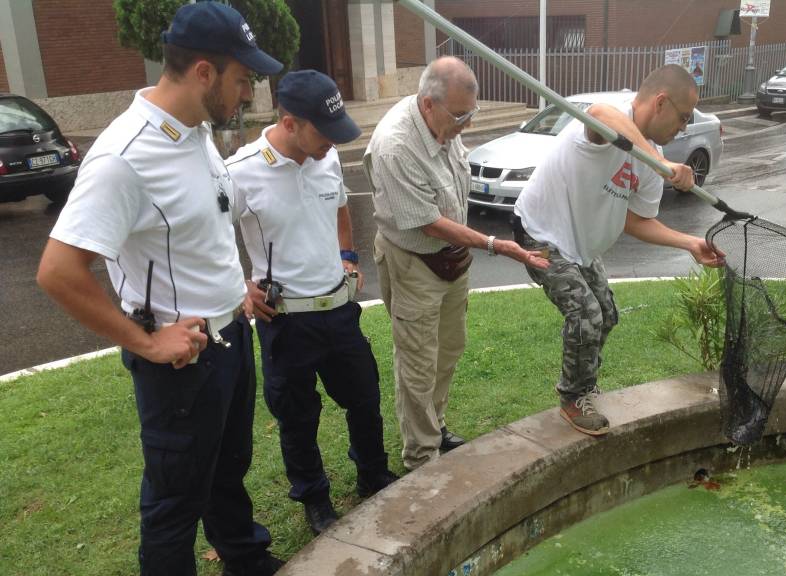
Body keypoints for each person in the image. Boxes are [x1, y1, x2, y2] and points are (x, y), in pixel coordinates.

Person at [36, 2, 286, 576]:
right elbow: (59, 270)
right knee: (177, 494)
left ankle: (241, 558)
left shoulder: (196, 128)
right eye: (240, 80)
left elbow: (201, 231)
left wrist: (239, 289)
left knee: (228, 467)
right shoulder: (124, 156)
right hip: (181, 362)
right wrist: (147, 342)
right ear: (203, 72)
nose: (248, 93)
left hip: (229, 338)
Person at [227, 70, 399, 536]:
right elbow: (210, 233)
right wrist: (239, 285)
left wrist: (347, 255)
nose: (332, 143)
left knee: (364, 396)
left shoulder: (325, 158)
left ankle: (373, 473)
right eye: (324, 134)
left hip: (339, 311)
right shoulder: (240, 172)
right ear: (288, 122)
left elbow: (340, 208)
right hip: (287, 322)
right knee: (297, 417)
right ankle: (315, 500)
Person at [512, 64, 725, 436]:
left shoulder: (651, 157)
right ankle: (573, 396)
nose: (684, 128)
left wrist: (691, 243)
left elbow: (636, 220)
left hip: (581, 244)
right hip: (540, 234)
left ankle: (584, 380)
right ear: (661, 102)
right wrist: (658, 162)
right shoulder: (613, 116)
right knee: (587, 314)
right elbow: (597, 116)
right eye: (683, 117)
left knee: (607, 314)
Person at [364, 57, 550, 470]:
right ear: (428, 104)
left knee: (449, 348)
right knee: (417, 361)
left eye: (472, 112)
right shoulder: (396, 146)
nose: (467, 124)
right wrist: (494, 244)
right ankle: (421, 457)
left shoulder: (445, 124)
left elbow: (451, 192)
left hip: (453, 261)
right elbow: (429, 224)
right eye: (460, 115)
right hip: (413, 260)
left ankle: (436, 425)